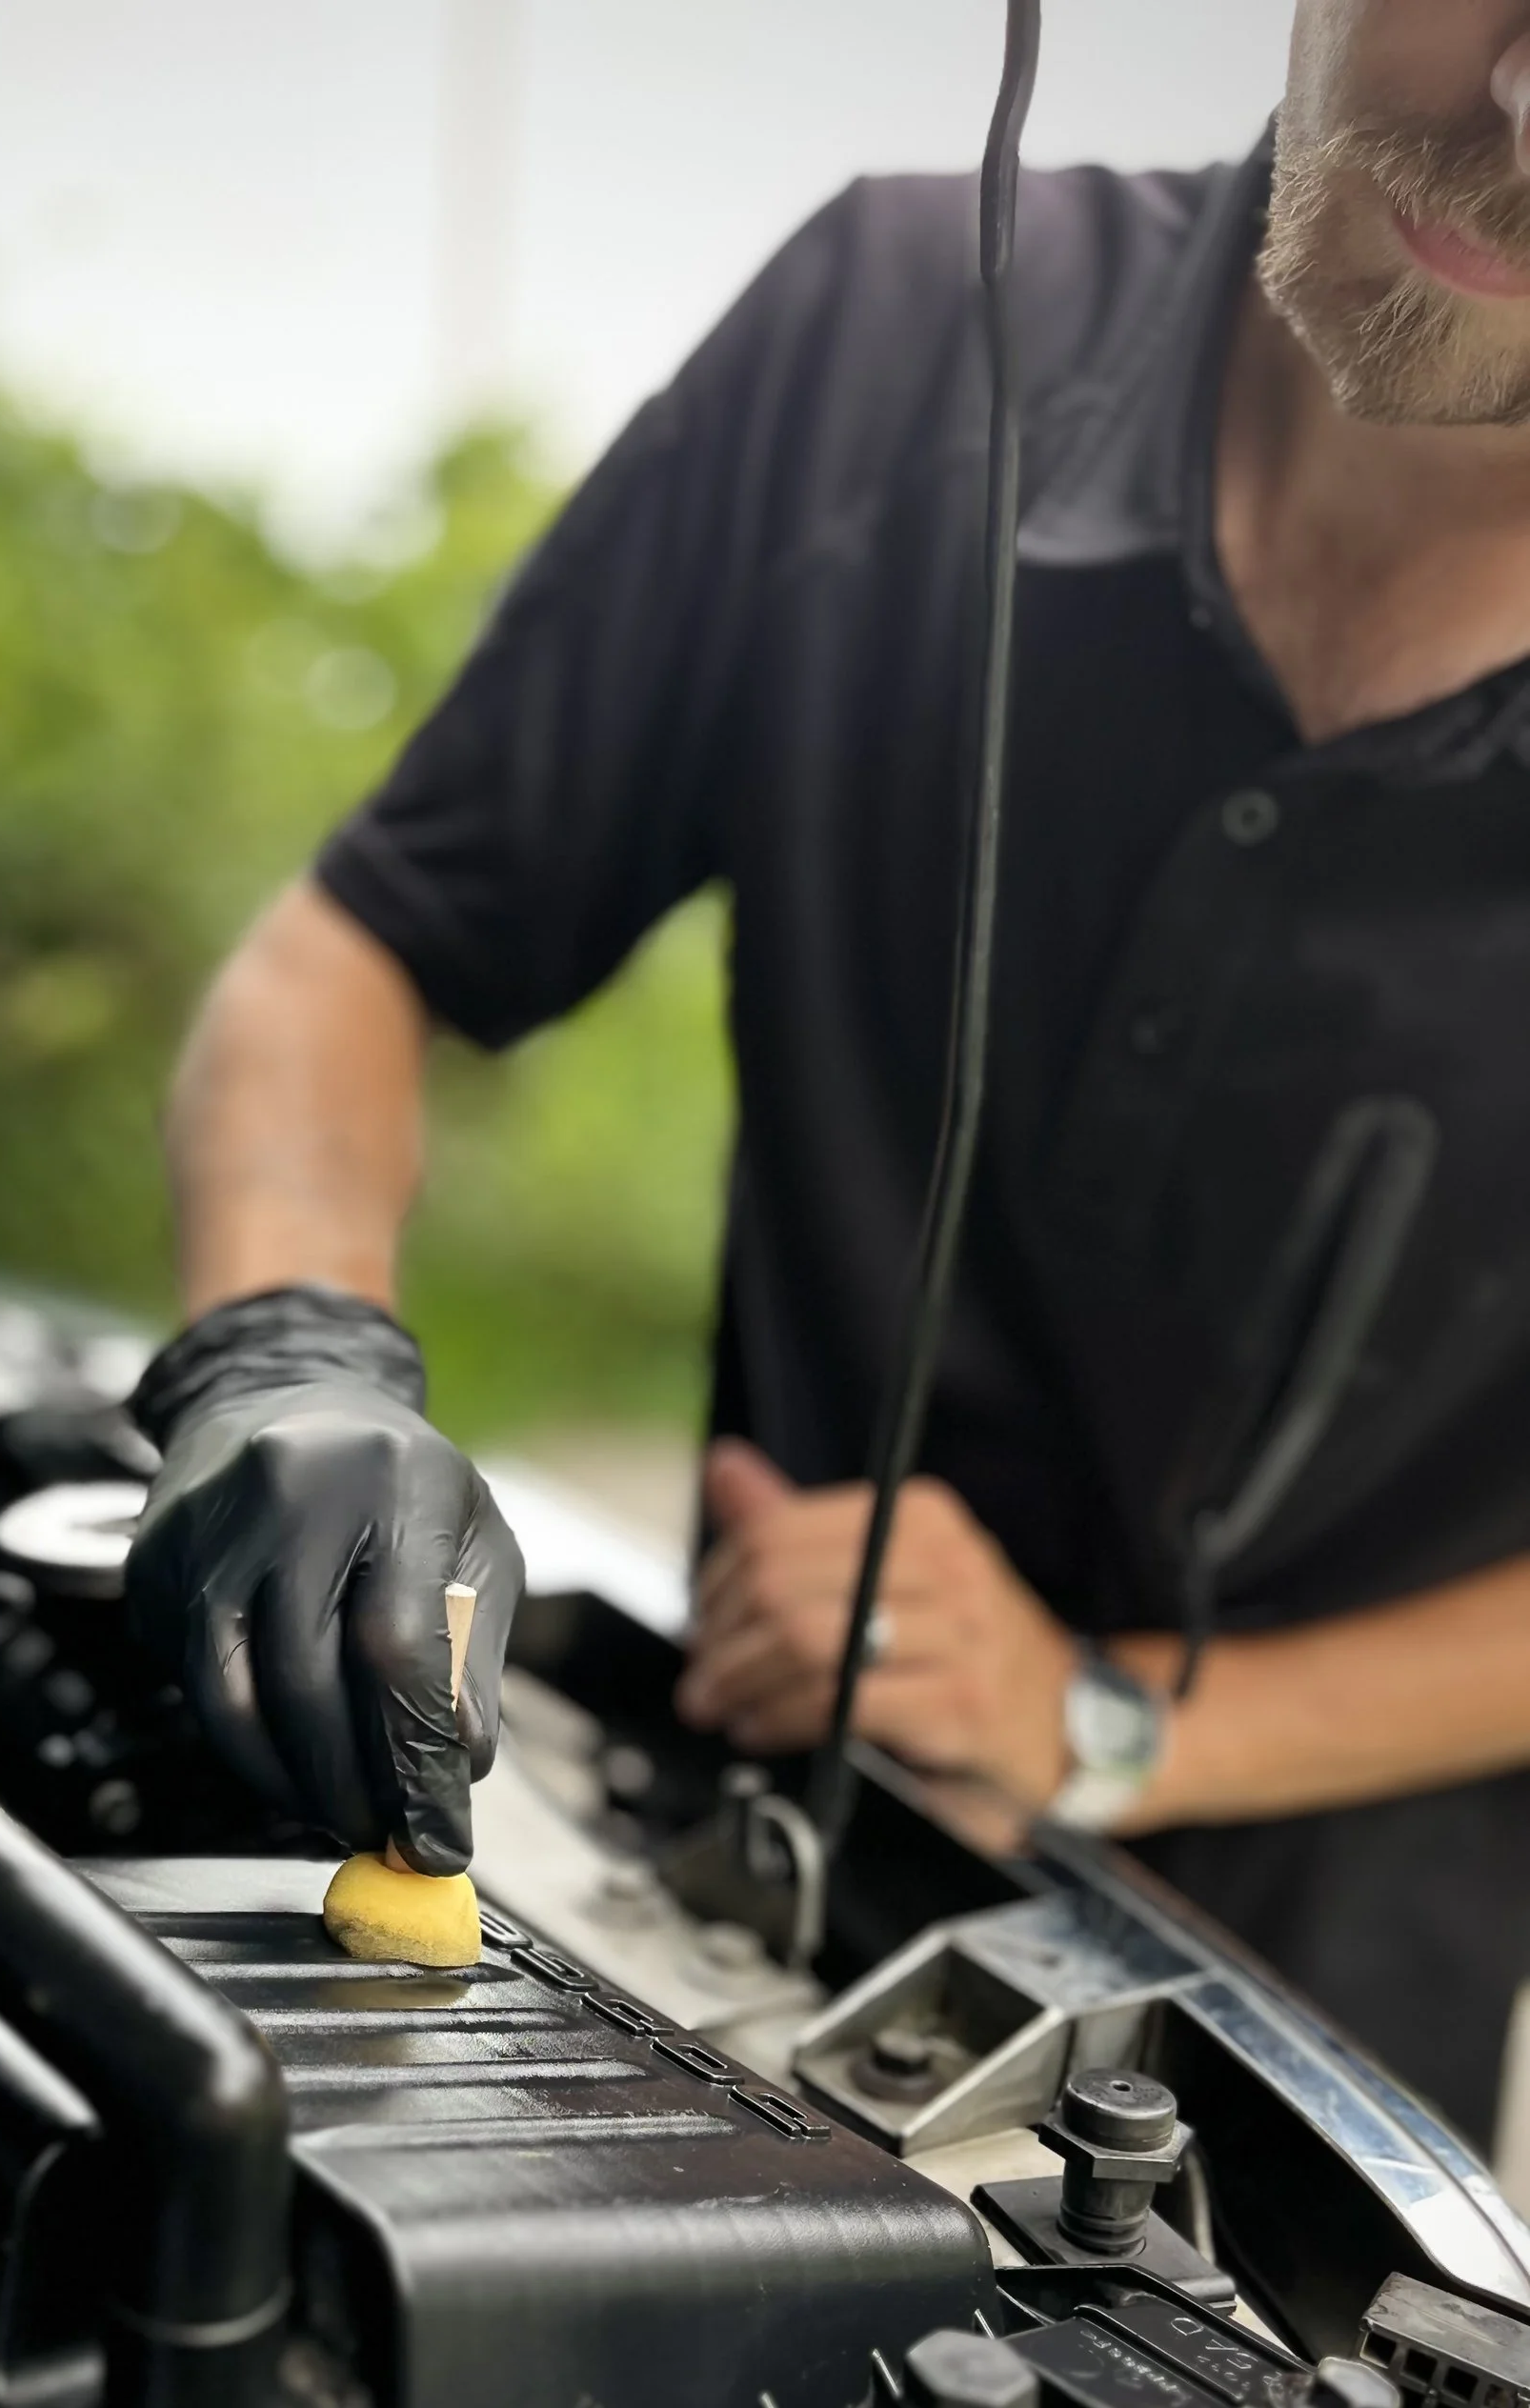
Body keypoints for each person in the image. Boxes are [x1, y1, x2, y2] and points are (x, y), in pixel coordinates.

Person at [126, 0, 1530, 2138]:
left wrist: (1112, 1724)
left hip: (1285, 2142)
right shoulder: (888, 328)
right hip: (699, 1921)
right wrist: (290, 1349)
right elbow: (359, 948)